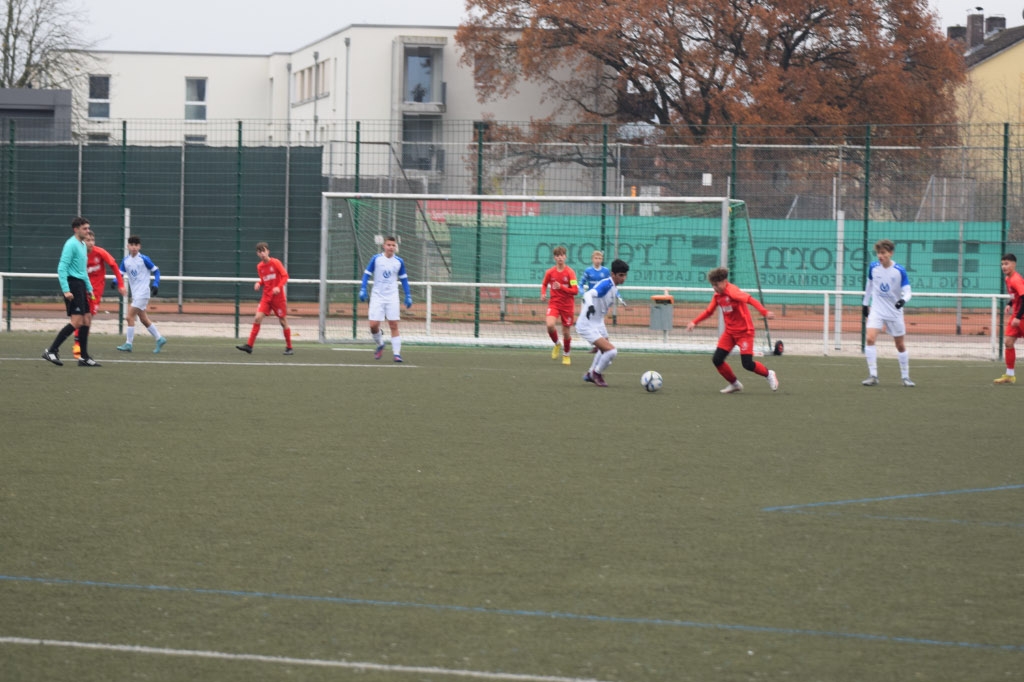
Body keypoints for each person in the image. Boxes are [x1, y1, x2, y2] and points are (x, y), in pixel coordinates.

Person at [686, 266, 779, 394]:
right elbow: (709, 312)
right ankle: (735, 384)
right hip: (730, 333)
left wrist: (764, 312)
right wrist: (694, 322)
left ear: (724, 282)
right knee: (717, 360)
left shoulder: (733, 292)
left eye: (716, 285)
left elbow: (750, 299)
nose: (714, 288)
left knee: (747, 364)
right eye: (712, 285)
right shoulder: (717, 296)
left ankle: (769, 374)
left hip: (745, 333)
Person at [42, 217, 100, 367]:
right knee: (77, 322)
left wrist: (89, 288)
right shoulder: (71, 244)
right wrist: (66, 290)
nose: (88, 231)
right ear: (76, 229)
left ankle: (84, 357)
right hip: (72, 285)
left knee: (87, 319)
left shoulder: (82, 245)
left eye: (88, 228)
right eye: (85, 228)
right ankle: (51, 350)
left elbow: (83, 270)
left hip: (80, 285)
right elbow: (62, 268)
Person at [861, 239, 914, 387]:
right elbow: (869, 286)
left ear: (890, 253)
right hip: (877, 310)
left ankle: (905, 377)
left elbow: (908, 292)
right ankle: (873, 376)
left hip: (894, 312)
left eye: (883, 253)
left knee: (900, 345)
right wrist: (865, 304)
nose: (880, 255)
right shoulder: (873, 267)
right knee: (870, 339)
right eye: (878, 253)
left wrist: (902, 301)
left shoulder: (899, 270)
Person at [73, 229, 126, 359]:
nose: (91, 243)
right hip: (81, 289)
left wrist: (121, 284)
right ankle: (78, 346)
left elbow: (114, 265)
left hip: (95, 292)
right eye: (87, 240)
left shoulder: (100, 252)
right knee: (81, 318)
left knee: (88, 318)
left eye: (92, 240)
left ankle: (81, 347)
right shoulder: (78, 255)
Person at [576, 258, 629, 387]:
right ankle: (597, 373)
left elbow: (615, 293)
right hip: (587, 324)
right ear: (612, 274)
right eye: (621, 275)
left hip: (598, 323)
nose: (623, 278)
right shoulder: (605, 284)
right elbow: (588, 295)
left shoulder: (614, 287)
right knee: (611, 351)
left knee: (605, 350)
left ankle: (590, 373)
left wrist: (621, 300)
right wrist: (590, 306)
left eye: (625, 275)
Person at [359, 236, 412, 362]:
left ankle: (397, 354)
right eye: (389, 245)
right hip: (377, 296)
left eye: (393, 245)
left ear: (395, 247)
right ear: (384, 246)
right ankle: (380, 344)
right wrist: (363, 288)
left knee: (393, 324)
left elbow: (404, 279)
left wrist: (408, 295)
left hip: (392, 297)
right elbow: (366, 274)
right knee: (373, 325)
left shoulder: (399, 261)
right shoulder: (376, 259)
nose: (391, 247)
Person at [236, 242, 293, 355]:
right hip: (266, 297)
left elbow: (285, 276)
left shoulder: (276, 262)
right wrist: (259, 283)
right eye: (259, 251)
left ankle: (289, 347)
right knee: (257, 318)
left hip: (278, 298)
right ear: (257, 254)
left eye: (264, 251)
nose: (262, 253)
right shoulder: (260, 266)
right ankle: (249, 346)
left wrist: (278, 287)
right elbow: (264, 280)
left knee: (283, 321)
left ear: (268, 251)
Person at [116, 235, 167, 353]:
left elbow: (156, 271)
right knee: (143, 319)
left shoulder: (144, 259)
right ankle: (159, 338)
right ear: (128, 246)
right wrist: (116, 282)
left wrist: (156, 284)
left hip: (143, 292)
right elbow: (120, 274)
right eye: (131, 245)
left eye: (136, 245)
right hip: (136, 294)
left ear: (139, 247)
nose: (134, 247)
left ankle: (128, 344)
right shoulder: (126, 261)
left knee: (129, 317)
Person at [540, 245, 578, 365]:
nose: (560, 258)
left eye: (562, 255)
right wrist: (543, 293)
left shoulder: (570, 272)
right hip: (554, 303)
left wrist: (561, 287)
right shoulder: (550, 272)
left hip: (567, 306)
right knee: (550, 325)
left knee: (566, 333)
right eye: (557, 255)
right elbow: (544, 284)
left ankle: (566, 354)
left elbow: (575, 291)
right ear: (554, 258)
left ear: (565, 257)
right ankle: (557, 344)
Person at [995, 253, 1024, 384]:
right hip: (1017, 315)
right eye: (1002, 264)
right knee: (1008, 342)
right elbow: (1015, 295)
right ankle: (1010, 375)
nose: (1003, 267)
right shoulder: (1008, 279)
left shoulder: (1016, 279)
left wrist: (1018, 317)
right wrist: (1009, 304)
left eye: (1006, 264)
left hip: (1021, 316)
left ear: (1014, 264)